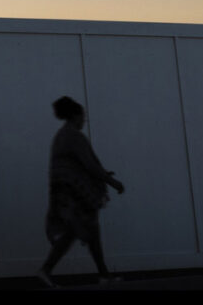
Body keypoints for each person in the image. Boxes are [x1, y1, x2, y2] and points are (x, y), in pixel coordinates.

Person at [38, 96, 125, 287]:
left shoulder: (60, 136)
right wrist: (112, 182)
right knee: (81, 231)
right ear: (75, 116)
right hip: (75, 196)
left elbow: (74, 167)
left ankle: (103, 275)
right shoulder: (73, 137)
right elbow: (90, 165)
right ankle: (47, 270)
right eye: (83, 116)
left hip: (65, 194)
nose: (84, 120)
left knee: (84, 232)